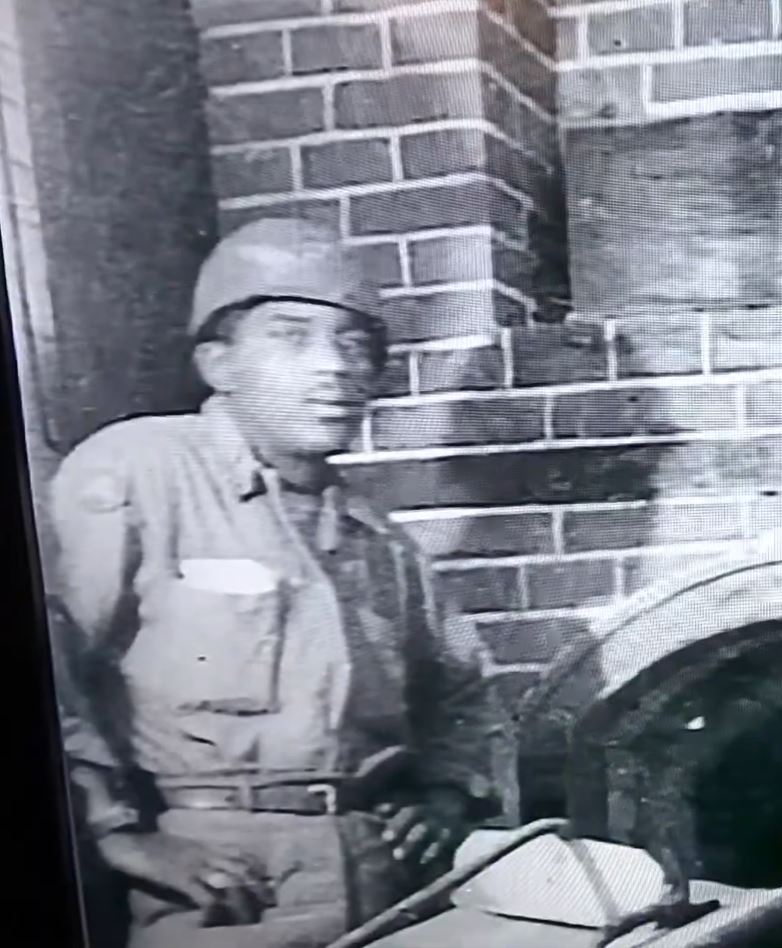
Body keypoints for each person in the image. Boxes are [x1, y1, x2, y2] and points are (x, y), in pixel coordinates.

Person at [46, 218, 515, 948]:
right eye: (291, 337)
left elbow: (464, 689)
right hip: (218, 889)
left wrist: (448, 794)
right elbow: (50, 664)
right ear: (217, 362)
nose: (334, 367)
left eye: (355, 345)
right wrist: (116, 835)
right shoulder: (139, 472)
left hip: (382, 885)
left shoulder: (379, 541)